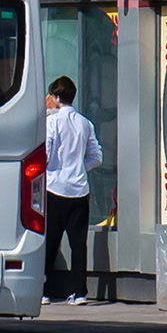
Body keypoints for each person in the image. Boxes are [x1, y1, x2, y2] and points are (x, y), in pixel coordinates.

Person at [42, 75, 103, 306]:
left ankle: (44, 291)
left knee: (50, 241)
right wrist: (80, 166)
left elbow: (46, 154)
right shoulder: (85, 123)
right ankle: (79, 292)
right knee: (79, 244)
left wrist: (52, 169)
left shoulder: (52, 122)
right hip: (79, 190)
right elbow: (96, 157)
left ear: (57, 97)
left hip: (55, 187)